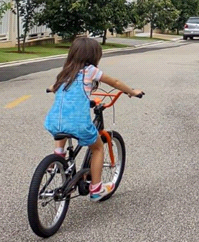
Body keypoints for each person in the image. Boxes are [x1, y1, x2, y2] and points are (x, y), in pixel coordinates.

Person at [44, 36, 143, 201]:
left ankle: (58, 155)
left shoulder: (66, 72)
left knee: (63, 126)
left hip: (53, 121)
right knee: (97, 148)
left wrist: (51, 88)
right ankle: (96, 189)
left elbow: (55, 87)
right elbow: (115, 82)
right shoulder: (90, 71)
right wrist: (132, 91)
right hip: (78, 125)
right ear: (94, 56)